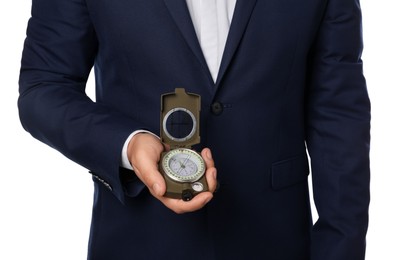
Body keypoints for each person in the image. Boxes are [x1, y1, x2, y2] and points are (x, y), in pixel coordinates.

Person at [18, 0, 371, 259]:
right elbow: (44, 87)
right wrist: (127, 144)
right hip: (140, 242)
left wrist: (340, 248)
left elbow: (338, 111)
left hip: (275, 241)